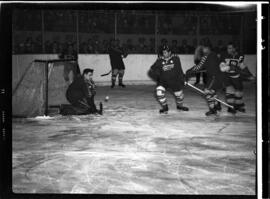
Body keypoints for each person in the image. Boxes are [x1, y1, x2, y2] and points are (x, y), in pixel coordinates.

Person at [148, 45, 189, 114]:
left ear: (170, 52)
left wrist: (183, 78)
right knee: (159, 92)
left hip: (174, 81)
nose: (164, 54)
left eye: (166, 52)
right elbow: (152, 69)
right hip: (163, 81)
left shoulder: (176, 58)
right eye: (163, 52)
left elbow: (179, 70)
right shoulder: (159, 60)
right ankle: (165, 107)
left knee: (180, 96)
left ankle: (179, 106)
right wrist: (156, 74)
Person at [186, 45, 224, 116]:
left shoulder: (206, 57)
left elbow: (198, 67)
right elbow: (209, 66)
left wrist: (188, 72)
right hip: (216, 77)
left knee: (207, 92)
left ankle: (213, 110)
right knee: (212, 92)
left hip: (214, 77)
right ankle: (217, 105)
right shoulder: (214, 55)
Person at [219, 42, 254, 113]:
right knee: (229, 91)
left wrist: (249, 74)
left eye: (230, 48)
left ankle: (238, 105)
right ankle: (231, 107)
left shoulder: (240, 55)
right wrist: (227, 67)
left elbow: (242, 65)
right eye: (228, 48)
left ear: (235, 48)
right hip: (227, 77)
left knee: (239, 92)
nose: (228, 50)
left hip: (237, 76)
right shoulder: (224, 54)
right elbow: (222, 67)